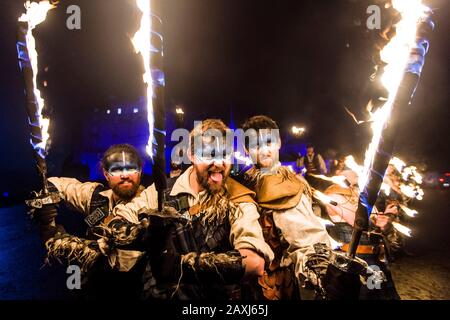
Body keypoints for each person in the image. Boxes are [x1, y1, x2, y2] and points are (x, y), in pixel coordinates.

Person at [109, 119, 274, 300]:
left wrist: (180, 266)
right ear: (192, 155)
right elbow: (119, 220)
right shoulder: (161, 192)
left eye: (225, 154)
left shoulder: (238, 199)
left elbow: (254, 263)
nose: (219, 163)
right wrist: (141, 235)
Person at [30, 143, 157, 299]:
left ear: (140, 170)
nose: (125, 175)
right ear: (105, 173)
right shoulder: (96, 196)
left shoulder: (151, 202)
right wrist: (45, 200)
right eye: (116, 169)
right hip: (93, 289)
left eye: (131, 168)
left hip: (134, 291)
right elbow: (57, 184)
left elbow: (121, 264)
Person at [236, 115, 332, 300]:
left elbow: (307, 240)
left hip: (276, 287)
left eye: (269, 143)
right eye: (256, 146)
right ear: (247, 150)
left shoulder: (289, 184)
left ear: (278, 142)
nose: (264, 151)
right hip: (244, 284)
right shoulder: (244, 179)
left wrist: (319, 269)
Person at [322, 169, 401, 300]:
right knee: (362, 296)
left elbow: (378, 227)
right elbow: (359, 222)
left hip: (375, 261)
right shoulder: (333, 195)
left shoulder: (363, 196)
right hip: (354, 262)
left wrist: (387, 218)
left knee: (378, 296)